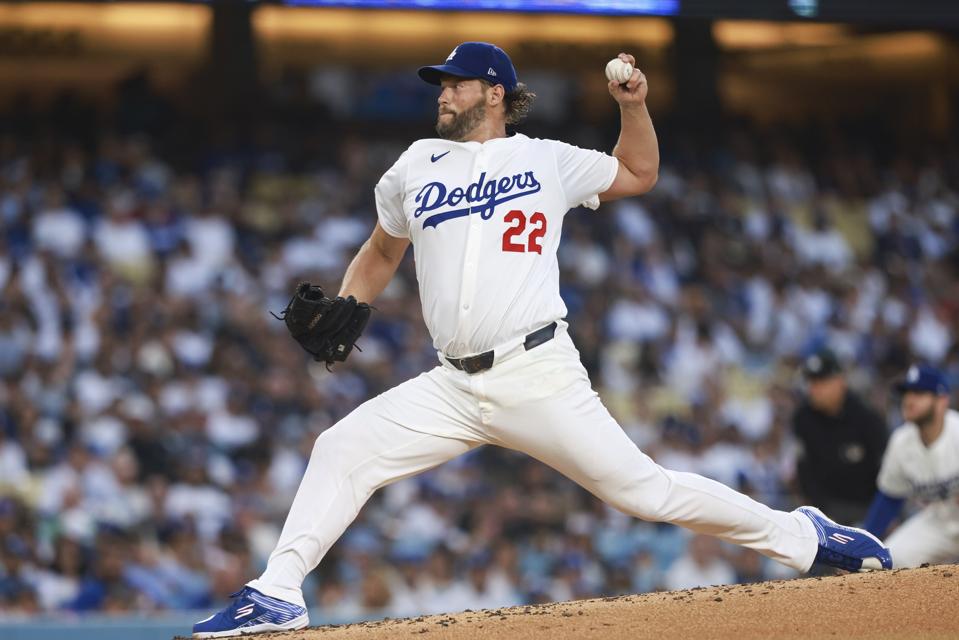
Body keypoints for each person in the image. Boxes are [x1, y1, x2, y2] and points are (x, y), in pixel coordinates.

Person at [192, 42, 891, 638]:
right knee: (341, 448)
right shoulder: (413, 166)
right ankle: (276, 594)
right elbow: (380, 251)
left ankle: (804, 537)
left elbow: (639, 173)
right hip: (452, 384)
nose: (442, 93)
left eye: (454, 83)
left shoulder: (544, 160)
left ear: (493, 93)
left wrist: (632, 106)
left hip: (535, 372)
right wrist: (348, 301)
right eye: (439, 84)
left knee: (644, 492)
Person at [863, 364, 959, 568]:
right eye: (906, 393)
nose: (908, 400)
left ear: (942, 401)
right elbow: (889, 499)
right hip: (937, 522)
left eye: (919, 393)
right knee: (884, 561)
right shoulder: (901, 441)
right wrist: (862, 545)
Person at [792, 349, 889, 524]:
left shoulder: (866, 418)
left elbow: (886, 470)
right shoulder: (803, 418)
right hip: (823, 510)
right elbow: (803, 469)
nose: (814, 389)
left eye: (821, 382)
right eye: (811, 382)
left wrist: (880, 516)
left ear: (840, 381)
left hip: (866, 508)